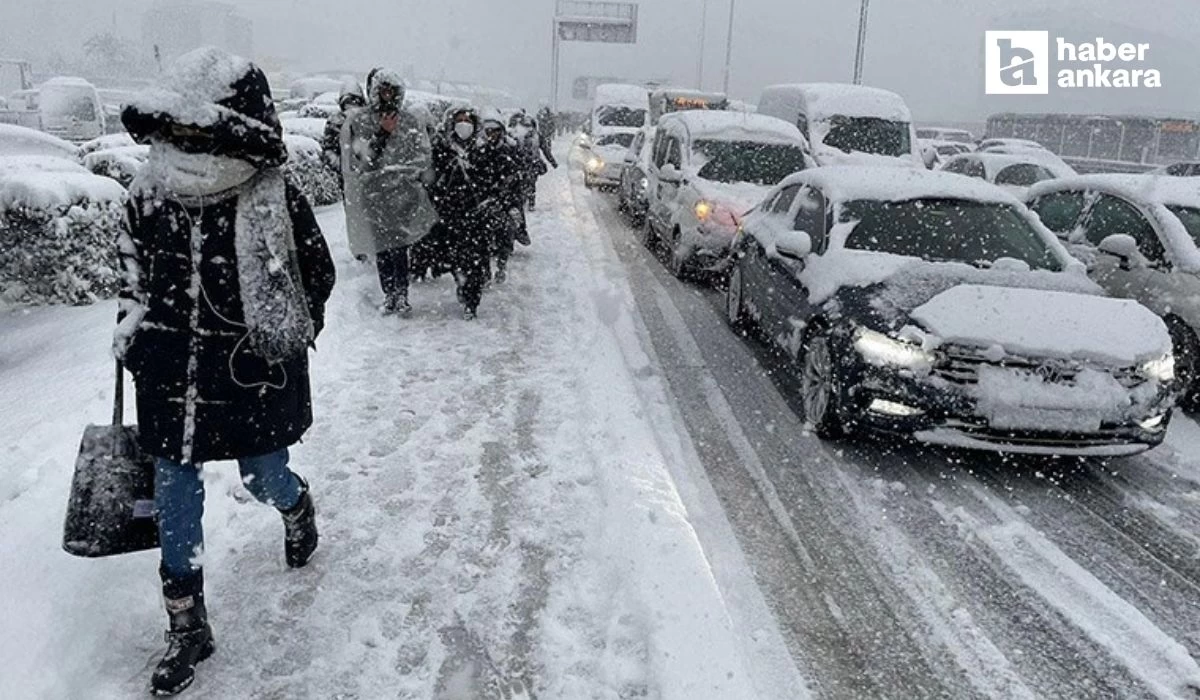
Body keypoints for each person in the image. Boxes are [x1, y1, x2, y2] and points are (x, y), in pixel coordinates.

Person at [116, 47, 336, 696]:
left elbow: (314, 277)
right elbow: (130, 277)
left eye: (196, 129)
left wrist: (280, 339)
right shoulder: (149, 191)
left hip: (248, 375)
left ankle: (297, 506)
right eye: (176, 129)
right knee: (175, 493)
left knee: (262, 475)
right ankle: (186, 625)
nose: (183, 140)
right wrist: (133, 340)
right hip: (170, 375)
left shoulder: (270, 194)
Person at [341, 69, 437, 315]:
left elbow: (421, 156)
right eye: (383, 90)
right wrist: (382, 134)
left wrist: (410, 177)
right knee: (382, 246)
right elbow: (361, 160)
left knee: (400, 247)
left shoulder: (410, 121)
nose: (387, 96)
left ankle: (401, 294)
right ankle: (389, 294)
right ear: (374, 92)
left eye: (392, 91)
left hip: (403, 194)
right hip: (375, 194)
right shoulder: (361, 121)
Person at [430, 106, 490, 318]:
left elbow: (489, 180)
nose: (464, 124)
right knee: (455, 258)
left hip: (476, 214)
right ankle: (461, 282)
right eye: (460, 120)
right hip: (450, 214)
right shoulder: (442, 148)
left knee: (475, 261)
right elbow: (433, 178)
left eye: (468, 120)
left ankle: (472, 300)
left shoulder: (483, 149)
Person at [474, 110, 526, 282]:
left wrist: (510, 202)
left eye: (495, 131)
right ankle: (485, 272)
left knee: (506, 234)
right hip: (485, 201)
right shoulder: (478, 153)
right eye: (488, 131)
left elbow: (517, 179)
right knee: (481, 239)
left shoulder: (510, 151)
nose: (491, 135)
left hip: (505, 201)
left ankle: (502, 266)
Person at [508, 110, 557, 211]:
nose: (529, 128)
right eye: (526, 126)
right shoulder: (518, 136)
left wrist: (553, 162)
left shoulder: (537, 136)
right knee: (520, 183)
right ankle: (523, 201)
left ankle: (531, 202)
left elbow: (545, 150)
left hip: (533, 164)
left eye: (530, 126)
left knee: (531, 183)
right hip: (521, 163)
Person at [322, 82, 365, 189]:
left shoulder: (367, 121)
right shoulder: (335, 121)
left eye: (355, 104)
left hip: (363, 172)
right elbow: (328, 148)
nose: (352, 109)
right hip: (348, 173)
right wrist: (341, 164)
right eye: (348, 105)